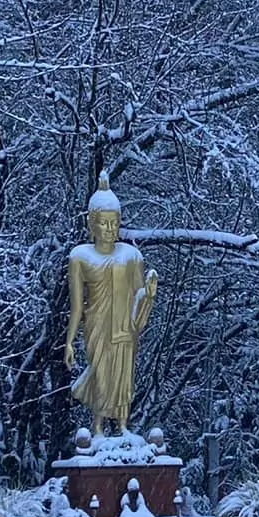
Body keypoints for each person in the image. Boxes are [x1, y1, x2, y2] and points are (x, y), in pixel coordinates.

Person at [63, 177, 159, 435]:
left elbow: (138, 296)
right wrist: (70, 341)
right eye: (103, 223)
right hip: (97, 325)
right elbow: (76, 306)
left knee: (124, 376)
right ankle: (97, 428)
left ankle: (123, 425)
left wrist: (148, 295)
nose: (109, 228)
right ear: (91, 224)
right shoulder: (80, 256)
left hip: (124, 325)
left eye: (114, 223)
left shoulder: (132, 256)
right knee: (102, 374)